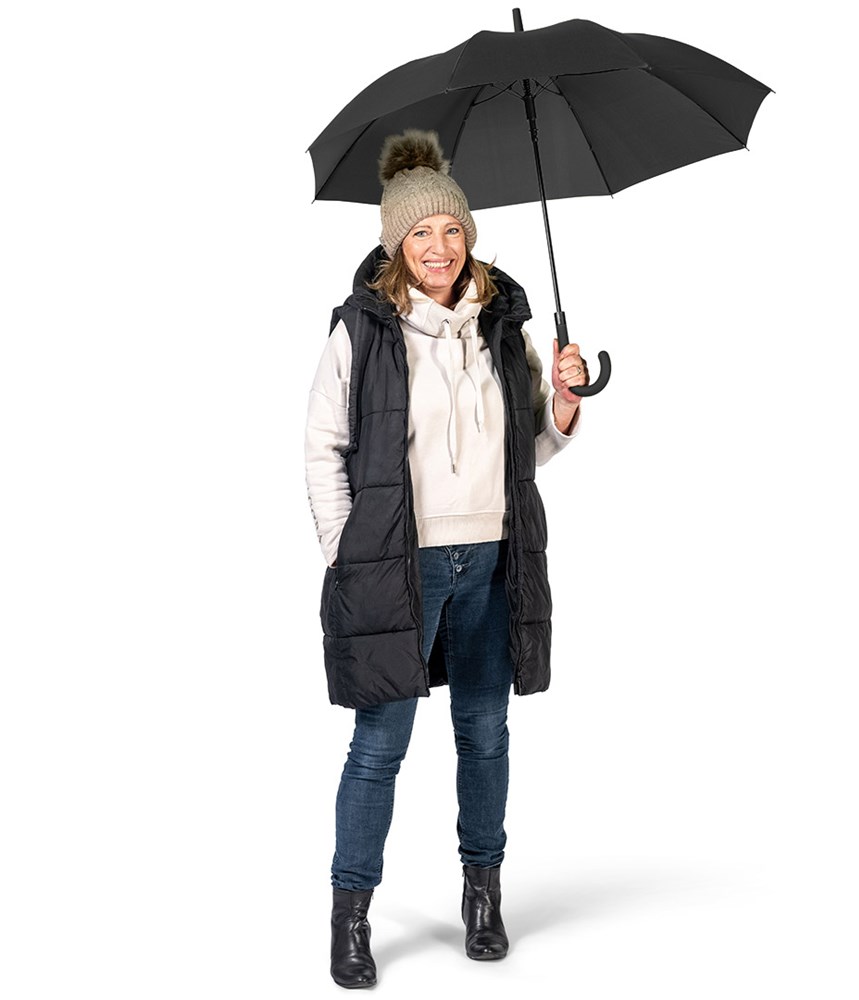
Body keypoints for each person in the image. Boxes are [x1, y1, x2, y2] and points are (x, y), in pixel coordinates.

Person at [305, 129, 588, 989]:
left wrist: (562, 404)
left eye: (452, 229)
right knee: (379, 742)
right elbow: (323, 448)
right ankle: (351, 915)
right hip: (401, 564)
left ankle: (482, 895)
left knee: (485, 734)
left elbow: (526, 450)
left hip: (492, 559)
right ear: (397, 243)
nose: (439, 247)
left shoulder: (501, 327)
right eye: (421, 233)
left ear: (469, 235)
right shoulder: (363, 330)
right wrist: (348, 554)